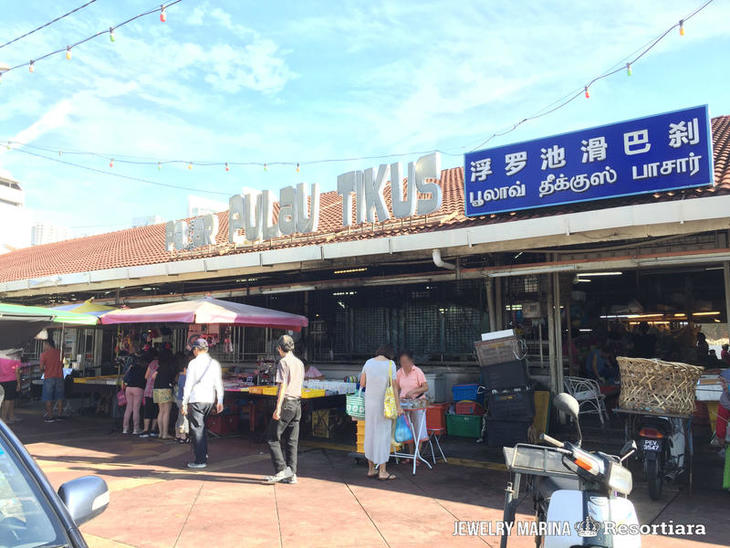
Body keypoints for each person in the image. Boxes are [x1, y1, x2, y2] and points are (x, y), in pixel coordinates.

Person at [264, 334, 305, 485]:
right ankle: (291, 473)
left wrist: (278, 408)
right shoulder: (299, 363)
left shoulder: (283, 362)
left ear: (280, 348)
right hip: (297, 403)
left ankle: (281, 470)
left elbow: (283, 386)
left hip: (286, 402)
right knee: (292, 441)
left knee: (272, 437)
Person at [360, 343, 403, 481]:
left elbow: (362, 383)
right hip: (385, 406)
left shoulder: (368, 363)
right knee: (383, 436)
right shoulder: (390, 364)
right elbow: (394, 387)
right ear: (390, 353)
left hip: (370, 405)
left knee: (370, 434)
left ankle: (371, 469)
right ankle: (382, 471)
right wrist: (398, 406)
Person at [182, 339, 224, 469]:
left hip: (196, 399)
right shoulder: (214, 363)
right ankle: (203, 454)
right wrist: (220, 400)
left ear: (196, 349)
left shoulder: (193, 363)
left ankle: (200, 460)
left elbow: (188, 384)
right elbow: (219, 383)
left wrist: (184, 402)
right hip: (209, 400)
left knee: (197, 430)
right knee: (202, 428)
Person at [396, 351, 429, 459]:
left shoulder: (417, 371)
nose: (404, 364)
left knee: (418, 428)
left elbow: (425, 387)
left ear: (411, 361)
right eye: (402, 362)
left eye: (406, 362)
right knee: (408, 429)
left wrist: (413, 391)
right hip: (405, 404)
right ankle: (410, 455)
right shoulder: (399, 372)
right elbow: (396, 388)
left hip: (417, 403)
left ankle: (417, 455)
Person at [153, 349, 176, 440]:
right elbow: (173, 379)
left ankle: (160, 433)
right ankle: (165, 434)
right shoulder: (170, 367)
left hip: (157, 389)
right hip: (166, 389)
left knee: (161, 411)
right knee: (166, 412)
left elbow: (153, 376)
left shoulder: (159, 368)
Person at [40, 339, 64, 423]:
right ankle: (60, 415)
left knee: (48, 397)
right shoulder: (60, 353)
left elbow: (41, 368)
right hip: (60, 376)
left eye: (44, 345)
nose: (43, 347)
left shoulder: (44, 354)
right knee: (60, 397)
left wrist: (45, 369)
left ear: (47, 344)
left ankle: (50, 416)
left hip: (49, 377)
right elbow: (62, 364)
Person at [121, 354, 146, 435]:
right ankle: (136, 429)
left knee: (128, 408)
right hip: (138, 389)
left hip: (128, 388)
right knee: (136, 409)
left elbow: (125, 378)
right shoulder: (143, 369)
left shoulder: (131, 367)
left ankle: (125, 428)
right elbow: (145, 379)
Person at [140, 350, 159, 438]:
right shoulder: (161, 364)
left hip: (148, 390)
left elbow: (146, 376)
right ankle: (153, 430)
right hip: (157, 390)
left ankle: (145, 430)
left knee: (147, 410)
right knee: (156, 410)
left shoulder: (151, 363)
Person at [0, 349, 22, 424]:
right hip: (11, 380)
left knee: (4, 399)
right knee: (9, 399)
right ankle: (4, 418)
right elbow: (17, 371)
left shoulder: (1, 357)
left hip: (1, 381)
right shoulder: (16, 359)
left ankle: (9, 416)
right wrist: (18, 383)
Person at [711, 368, 730, 452]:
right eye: (721, 382)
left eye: (724, 382)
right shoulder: (724, 399)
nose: (722, 385)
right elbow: (721, 422)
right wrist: (721, 437)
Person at [174, 352, 190, 444]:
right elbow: (184, 389)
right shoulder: (184, 377)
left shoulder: (180, 376)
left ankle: (178, 435)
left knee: (180, 418)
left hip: (179, 399)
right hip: (183, 400)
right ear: (185, 368)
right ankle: (183, 437)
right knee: (183, 419)